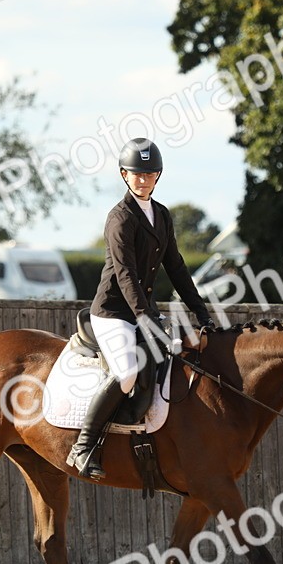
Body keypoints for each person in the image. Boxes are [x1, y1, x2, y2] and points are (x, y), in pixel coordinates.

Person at [65, 138, 215, 480]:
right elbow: (126, 275)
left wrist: (201, 312)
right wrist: (146, 319)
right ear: (124, 175)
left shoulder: (161, 215)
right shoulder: (120, 218)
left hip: (144, 311)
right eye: (137, 173)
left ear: (158, 175)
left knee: (177, 359)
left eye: (149, 173)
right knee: (128, 372)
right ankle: (83, 447)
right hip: (114, 313)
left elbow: (176, 268)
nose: (143, 179)